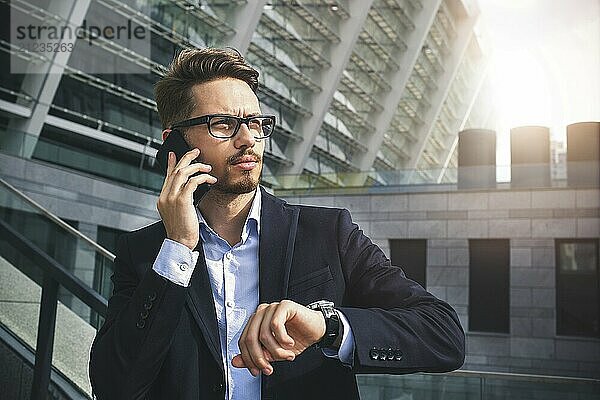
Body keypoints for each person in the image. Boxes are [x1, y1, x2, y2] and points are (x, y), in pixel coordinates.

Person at [89, 47, 465, 400]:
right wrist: (178, 248)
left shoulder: (328, 234)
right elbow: (113, 386)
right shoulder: (145, 255)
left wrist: (327, 327)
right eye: (223, 124)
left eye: (254, 122)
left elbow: (443, 334)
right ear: (175, 143)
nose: (247, 139)